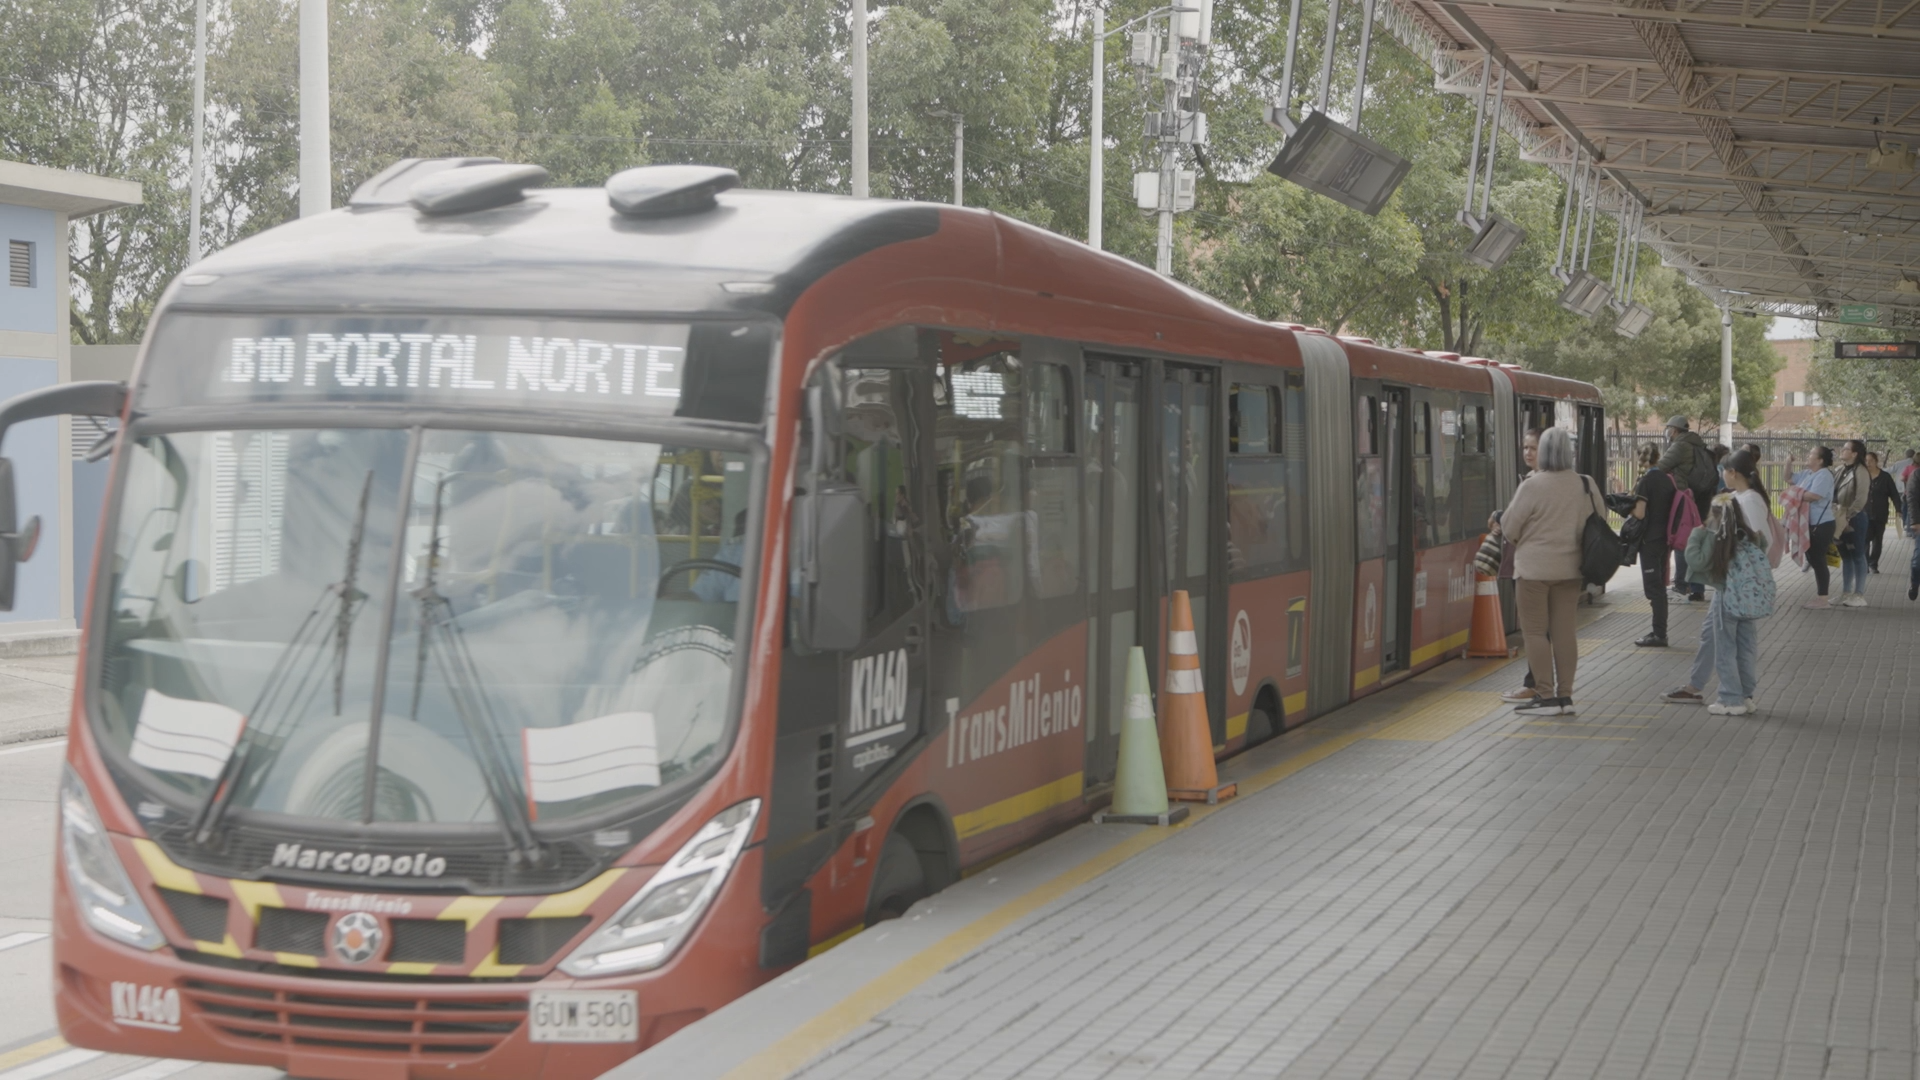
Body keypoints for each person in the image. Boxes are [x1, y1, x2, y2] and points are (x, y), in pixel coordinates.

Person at [1492, 428, 1608, 717]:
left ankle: (1545, 696)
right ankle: (1565, 697)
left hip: (1533, 571)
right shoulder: (1584, 483)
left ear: (1542, 452)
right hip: (1570, 570)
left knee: (1534, 632)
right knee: (1564, 632)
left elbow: (1509, 528)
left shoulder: (1532, 485)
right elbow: (1602, 520)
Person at [1660, 450, 1773, 711]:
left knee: (1726, 644)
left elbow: (1746, 544)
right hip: (1739, 586)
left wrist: (1701, 537)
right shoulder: (1738, 499)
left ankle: (1731, 697)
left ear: (1733, 472)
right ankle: (1710, 689)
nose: (1721, 475)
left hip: (1732, 586)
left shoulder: (1748, 501)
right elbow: (1758, 540)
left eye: (1723, 470)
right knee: (1720, 637)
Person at [1494, 428, 1544, 704]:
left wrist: (1500, 518)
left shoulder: (1534, 482)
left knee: (1534, 627)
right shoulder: (1544, 480)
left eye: (1533, 448)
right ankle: (1541, 683)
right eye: (1525, 447)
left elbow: (1518, 523)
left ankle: (1534, 684)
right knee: (1541, 627)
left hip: (1530, 564)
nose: (1527, 453)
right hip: (1544, 564)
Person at [1658, 416, 1713, 603]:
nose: (1667, 432)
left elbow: (1660, 467)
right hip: (1700, 498)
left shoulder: (1680, 446)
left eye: (1668, 429)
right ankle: (1697, 588)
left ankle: (1682, 584)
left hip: (1683, 499)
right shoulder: (1698, 445)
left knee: (1682, 540)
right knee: (1695, 540)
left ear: (1674, 430)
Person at [1628, 442, 1675, 647]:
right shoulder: (1667, 480)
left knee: (1654, 589)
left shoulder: (1645, 482)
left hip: (1649, 540)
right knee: (1659, 587)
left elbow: (1639, 513)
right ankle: (1659, 631)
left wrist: (1625, 507)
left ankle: (1659, 634)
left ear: (1641, 458)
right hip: (1664, 539)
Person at [1794, 446, 1837, 608]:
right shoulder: (1812, 474)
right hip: (1812, 523)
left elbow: (1815, 495)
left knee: (1818, 560)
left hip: (1821, 524)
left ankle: (1823, 598)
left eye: (1812, 454)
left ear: (1820, 460)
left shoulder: (1824, 475)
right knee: (1814, 559)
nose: (1808, 455)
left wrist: (1794, 494)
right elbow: (1791, 480)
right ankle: (1821, 596)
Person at [1831, 439, 1872, 606]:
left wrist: (1848, 516)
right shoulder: (1840, 470)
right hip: (1839, 516)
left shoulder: (1861, 471)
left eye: (1846, 449)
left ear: (1854, 454)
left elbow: (1861, 498)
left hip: (1854, 518)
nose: (1842, 450)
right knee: (1845, 556)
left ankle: (1859, 594)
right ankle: (1846, 592)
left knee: (1858, 555)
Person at [1863, 450, 1899, 574]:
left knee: (1877, 540)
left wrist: (1898, 509)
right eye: (1866, 461)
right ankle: (1864, 564)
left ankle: (1874, 564)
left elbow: (1894, 494)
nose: (1868, 463)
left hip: (1880, 513)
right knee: (1865, 539)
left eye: (1871, 461)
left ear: (1876, 462)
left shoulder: (1885, 477)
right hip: (1864, 513)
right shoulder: (1861, 476)